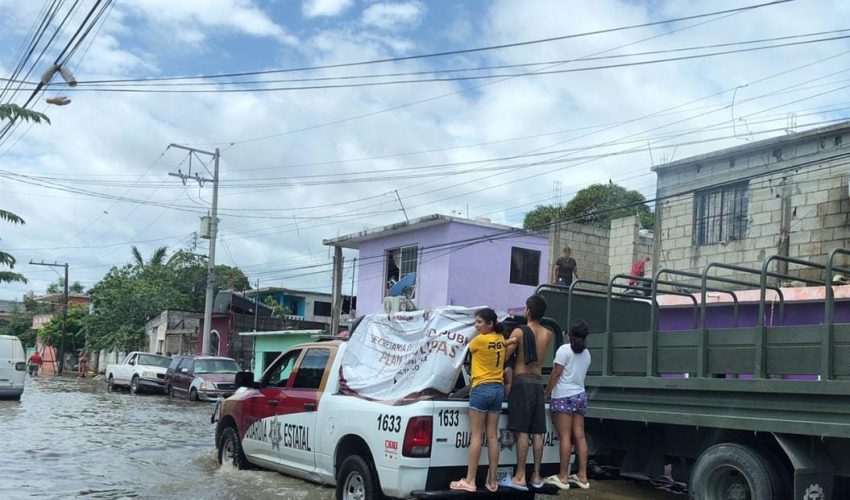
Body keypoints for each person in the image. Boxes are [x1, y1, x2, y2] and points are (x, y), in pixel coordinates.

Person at [450, 308, 514, 493]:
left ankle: (470, 480)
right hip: (497, 389)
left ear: (490, 323)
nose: (476, 326)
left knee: (477, 435)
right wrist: (512, 340)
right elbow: (508, 342)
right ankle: (492, 481)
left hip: (481, 388)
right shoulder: (500, 340)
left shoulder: (478, 341)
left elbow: (462, 347)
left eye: (479, 322)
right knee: (493, 436)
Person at [501, 295, 554, 491]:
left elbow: (505, 357)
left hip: (521, 382)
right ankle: (537, 475)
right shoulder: (548, 334)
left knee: (522, 430)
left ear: (528, 311)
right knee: (538, 431)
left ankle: (520, 475)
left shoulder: (519, 332)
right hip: (537, 383)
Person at [544, 320, 592, 491]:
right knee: (579, 436)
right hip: (580, 396)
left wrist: (547, 392)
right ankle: (582, 475)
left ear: (569, 334)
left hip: (563, 395)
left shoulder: (564, 350)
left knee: (565, 437)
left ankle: (563, 476)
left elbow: (556, 372)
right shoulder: (587, 354)